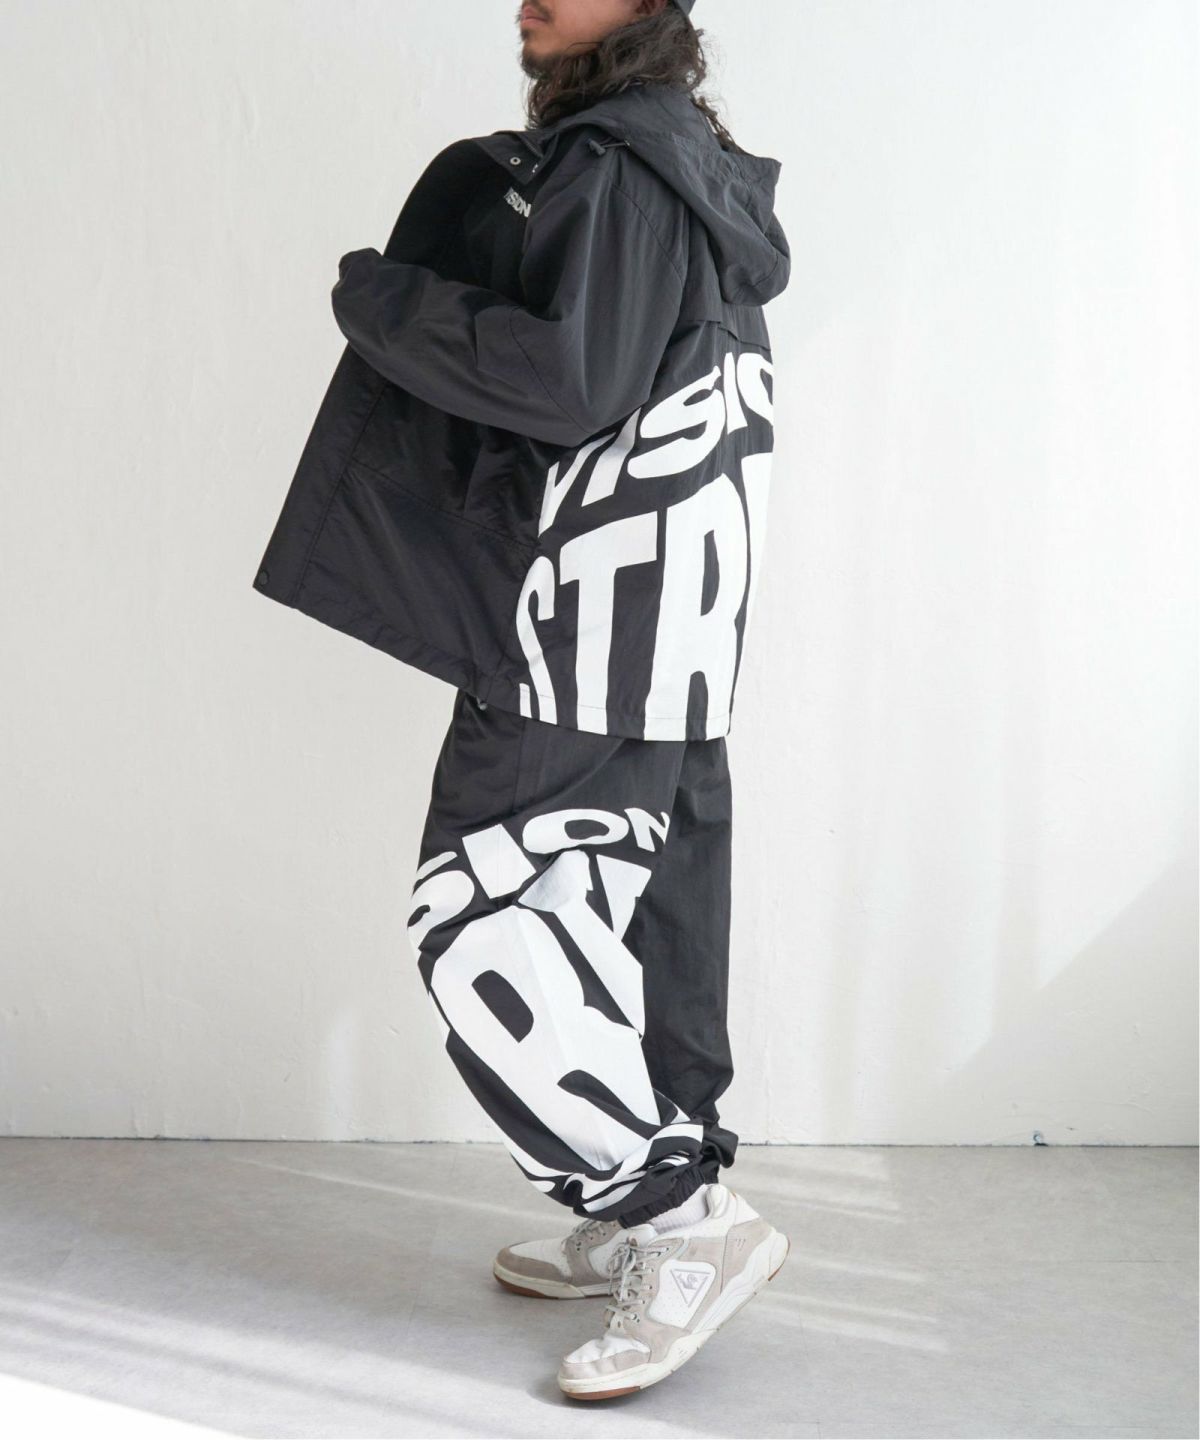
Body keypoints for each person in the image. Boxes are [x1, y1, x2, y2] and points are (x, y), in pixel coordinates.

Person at [251, 0, 791, 1401]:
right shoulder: (687, 164)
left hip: (585, 624)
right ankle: (657, 1195)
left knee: (481, 920)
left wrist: (381, 297)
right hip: (671, 624)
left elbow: (565, 381)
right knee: (634, 923)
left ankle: (679, 1224)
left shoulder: (618, 165)